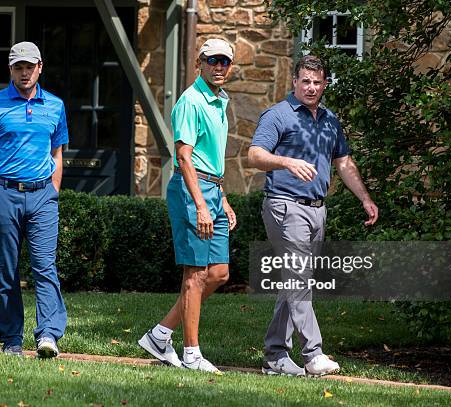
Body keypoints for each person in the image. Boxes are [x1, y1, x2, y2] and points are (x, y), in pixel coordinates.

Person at [248, 55, 379, 376]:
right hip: (284, 206)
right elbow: (255, 155)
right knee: (299, 278)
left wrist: (364, 198)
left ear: (324, 84)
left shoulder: (330, 120)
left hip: (316, 209)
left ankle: (275, 355)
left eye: (317, 82)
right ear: (294, 81)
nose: (311, 87)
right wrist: (287, 162)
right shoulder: (278, 115)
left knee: (295, 282)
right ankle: (313, 353)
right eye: (305, 81)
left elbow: (344, 163)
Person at [138, 38, 238, 373]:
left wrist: (221, 198)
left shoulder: (219, 101)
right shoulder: (191, 101)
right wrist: (201, 204)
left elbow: (209, 158)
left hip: (212, 190)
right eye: (213, 61)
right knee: (195, 275)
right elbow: (184, 157)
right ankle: (192, 353)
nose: (219, 67)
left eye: (225, 62)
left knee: (219, 273)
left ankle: (160, 334)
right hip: (191, 192)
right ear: (200, 63)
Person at [0, 41, 68, 358]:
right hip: (3, 195)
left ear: (40, 67)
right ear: (10, 70)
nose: (24, 73)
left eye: (30, 66)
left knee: (45, 267)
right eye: (18, 67)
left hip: (42, 197)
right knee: (6, 270)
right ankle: (11, 340)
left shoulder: (55, 106)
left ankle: (48, 335)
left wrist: (52, 191)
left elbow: (57, 153)